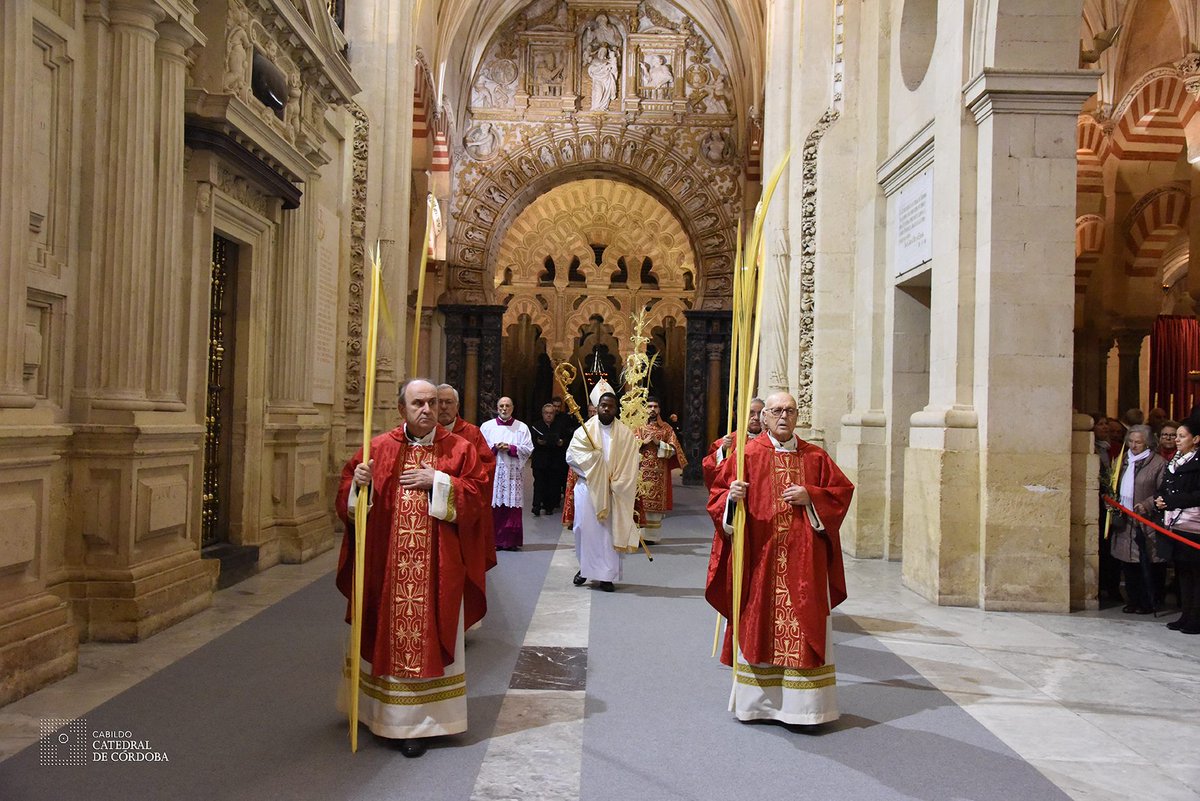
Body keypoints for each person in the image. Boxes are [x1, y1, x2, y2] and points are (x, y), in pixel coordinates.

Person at [334, 379, 487, 757]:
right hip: (388, 569)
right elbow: (348, 503)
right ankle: (380, 714)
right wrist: (359, 486)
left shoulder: (460, 449)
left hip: (439, 571)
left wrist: (437, 480)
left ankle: (424, 723)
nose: (428, 410)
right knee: (384, 633)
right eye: (418, 403)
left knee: (432, 635)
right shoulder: (380, 449)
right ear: (401, 409)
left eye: (433, 403)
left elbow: (478, 496)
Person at [706, 391, 854, 726]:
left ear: (797, 415)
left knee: (805, 625)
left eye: (789, 410)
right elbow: (716, 497)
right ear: (765, 417)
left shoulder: (815, 457)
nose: (783, 416)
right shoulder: (747, 455)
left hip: (805, 564)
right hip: (761, 559)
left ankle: (805, 710)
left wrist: (811, 496)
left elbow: (841, 494)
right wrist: (732, 498)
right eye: (776, 411)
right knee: (759, 622)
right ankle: (759, 705)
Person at [566, 391, 639, 592]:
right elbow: (571, 457)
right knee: (583, 528)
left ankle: (607, 575)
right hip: (588, 488)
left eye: (610, 406)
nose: (606, 408)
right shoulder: (583, 431)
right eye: (603, 405)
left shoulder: (625, 434)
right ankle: (585, 569)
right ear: (597, 407)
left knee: (607, 533)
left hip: (612, 490)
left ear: (616, 409)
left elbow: (632, 464)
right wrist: (594, 465)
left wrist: (617, 483)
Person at [436, 384, 497, 616]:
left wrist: (451, 484)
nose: (443, 407)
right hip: (433, 513)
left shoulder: (471, 433)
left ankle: (461, 620)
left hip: (463, 512)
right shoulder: (425, 433)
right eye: (438, 402)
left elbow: (487, 468)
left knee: (463, 566)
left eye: (448, 402)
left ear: (457, 406)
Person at [1108, 425, 1166, 614]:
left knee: (1146, 562)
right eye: (1131, 441)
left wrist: (1147, 504)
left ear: (1147, 443)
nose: (1133, 445)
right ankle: (1132, 600)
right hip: (1125, 521)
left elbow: (1162, 491)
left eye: (1138, 442)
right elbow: (1112, 485)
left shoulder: (1158, 464)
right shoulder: (1122, 461)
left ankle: (1148, 601)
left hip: (1146, 521)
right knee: (1128, 563)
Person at [1153, 418, 1200, 634]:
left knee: (1196, 573)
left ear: (1196, 439)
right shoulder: (1175, 461)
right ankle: (1186, 614)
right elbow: (1165, 487)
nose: (1177, 440)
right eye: (1176, 436)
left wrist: (1173, 501)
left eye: (1182, 436)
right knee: (1182, 572)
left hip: (1194, 526)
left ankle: (1196, 618)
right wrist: (1160, 500)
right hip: (1176, 524)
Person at [480, 397, 534, 551]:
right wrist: (495, 447)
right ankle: (494, 541)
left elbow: (528, 448)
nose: (504, 409)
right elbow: (480, 448)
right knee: (494, 506)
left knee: (512, 507)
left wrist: (511, 448)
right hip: (494, 473)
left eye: (507, 406)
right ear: (497, 408)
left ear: (513, 408)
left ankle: (510, 541)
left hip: (512, 474)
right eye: (501, 406)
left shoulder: (521, 427)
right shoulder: (487, 427)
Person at [634, 396, 687, 544]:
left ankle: (651, 537)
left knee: (654, 506)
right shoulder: (638, 427)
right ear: (645, 409)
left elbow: (674, 450)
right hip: (640, 473)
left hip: (659, 474)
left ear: (659, 409)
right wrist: (642, 443)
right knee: (639, 504)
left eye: (655, 406)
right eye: (649, 406)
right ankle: (637, 536)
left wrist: (658, 443)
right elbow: (628, 446)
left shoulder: (667, 429)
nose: (652, 409)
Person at [702, 398, 764, 489]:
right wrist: (723, 449)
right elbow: (708, 465)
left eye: (760, 413)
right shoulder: (730, 439)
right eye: (751, 413)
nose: (756, 417)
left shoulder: (770, 440)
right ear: (743, 415)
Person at [531, 403, 568, 516]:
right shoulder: (536, 426)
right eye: (546, 413)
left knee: (552, 485)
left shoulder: (560, 426)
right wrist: (538, 442)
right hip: (540, 461)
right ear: (542, 414)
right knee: (539, 484)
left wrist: (562, 442)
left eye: (551, 413)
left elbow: (567, 439)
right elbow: (531, 442)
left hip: (555, 461)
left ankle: (549, 507)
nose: (548, 415)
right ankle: (536, 506)